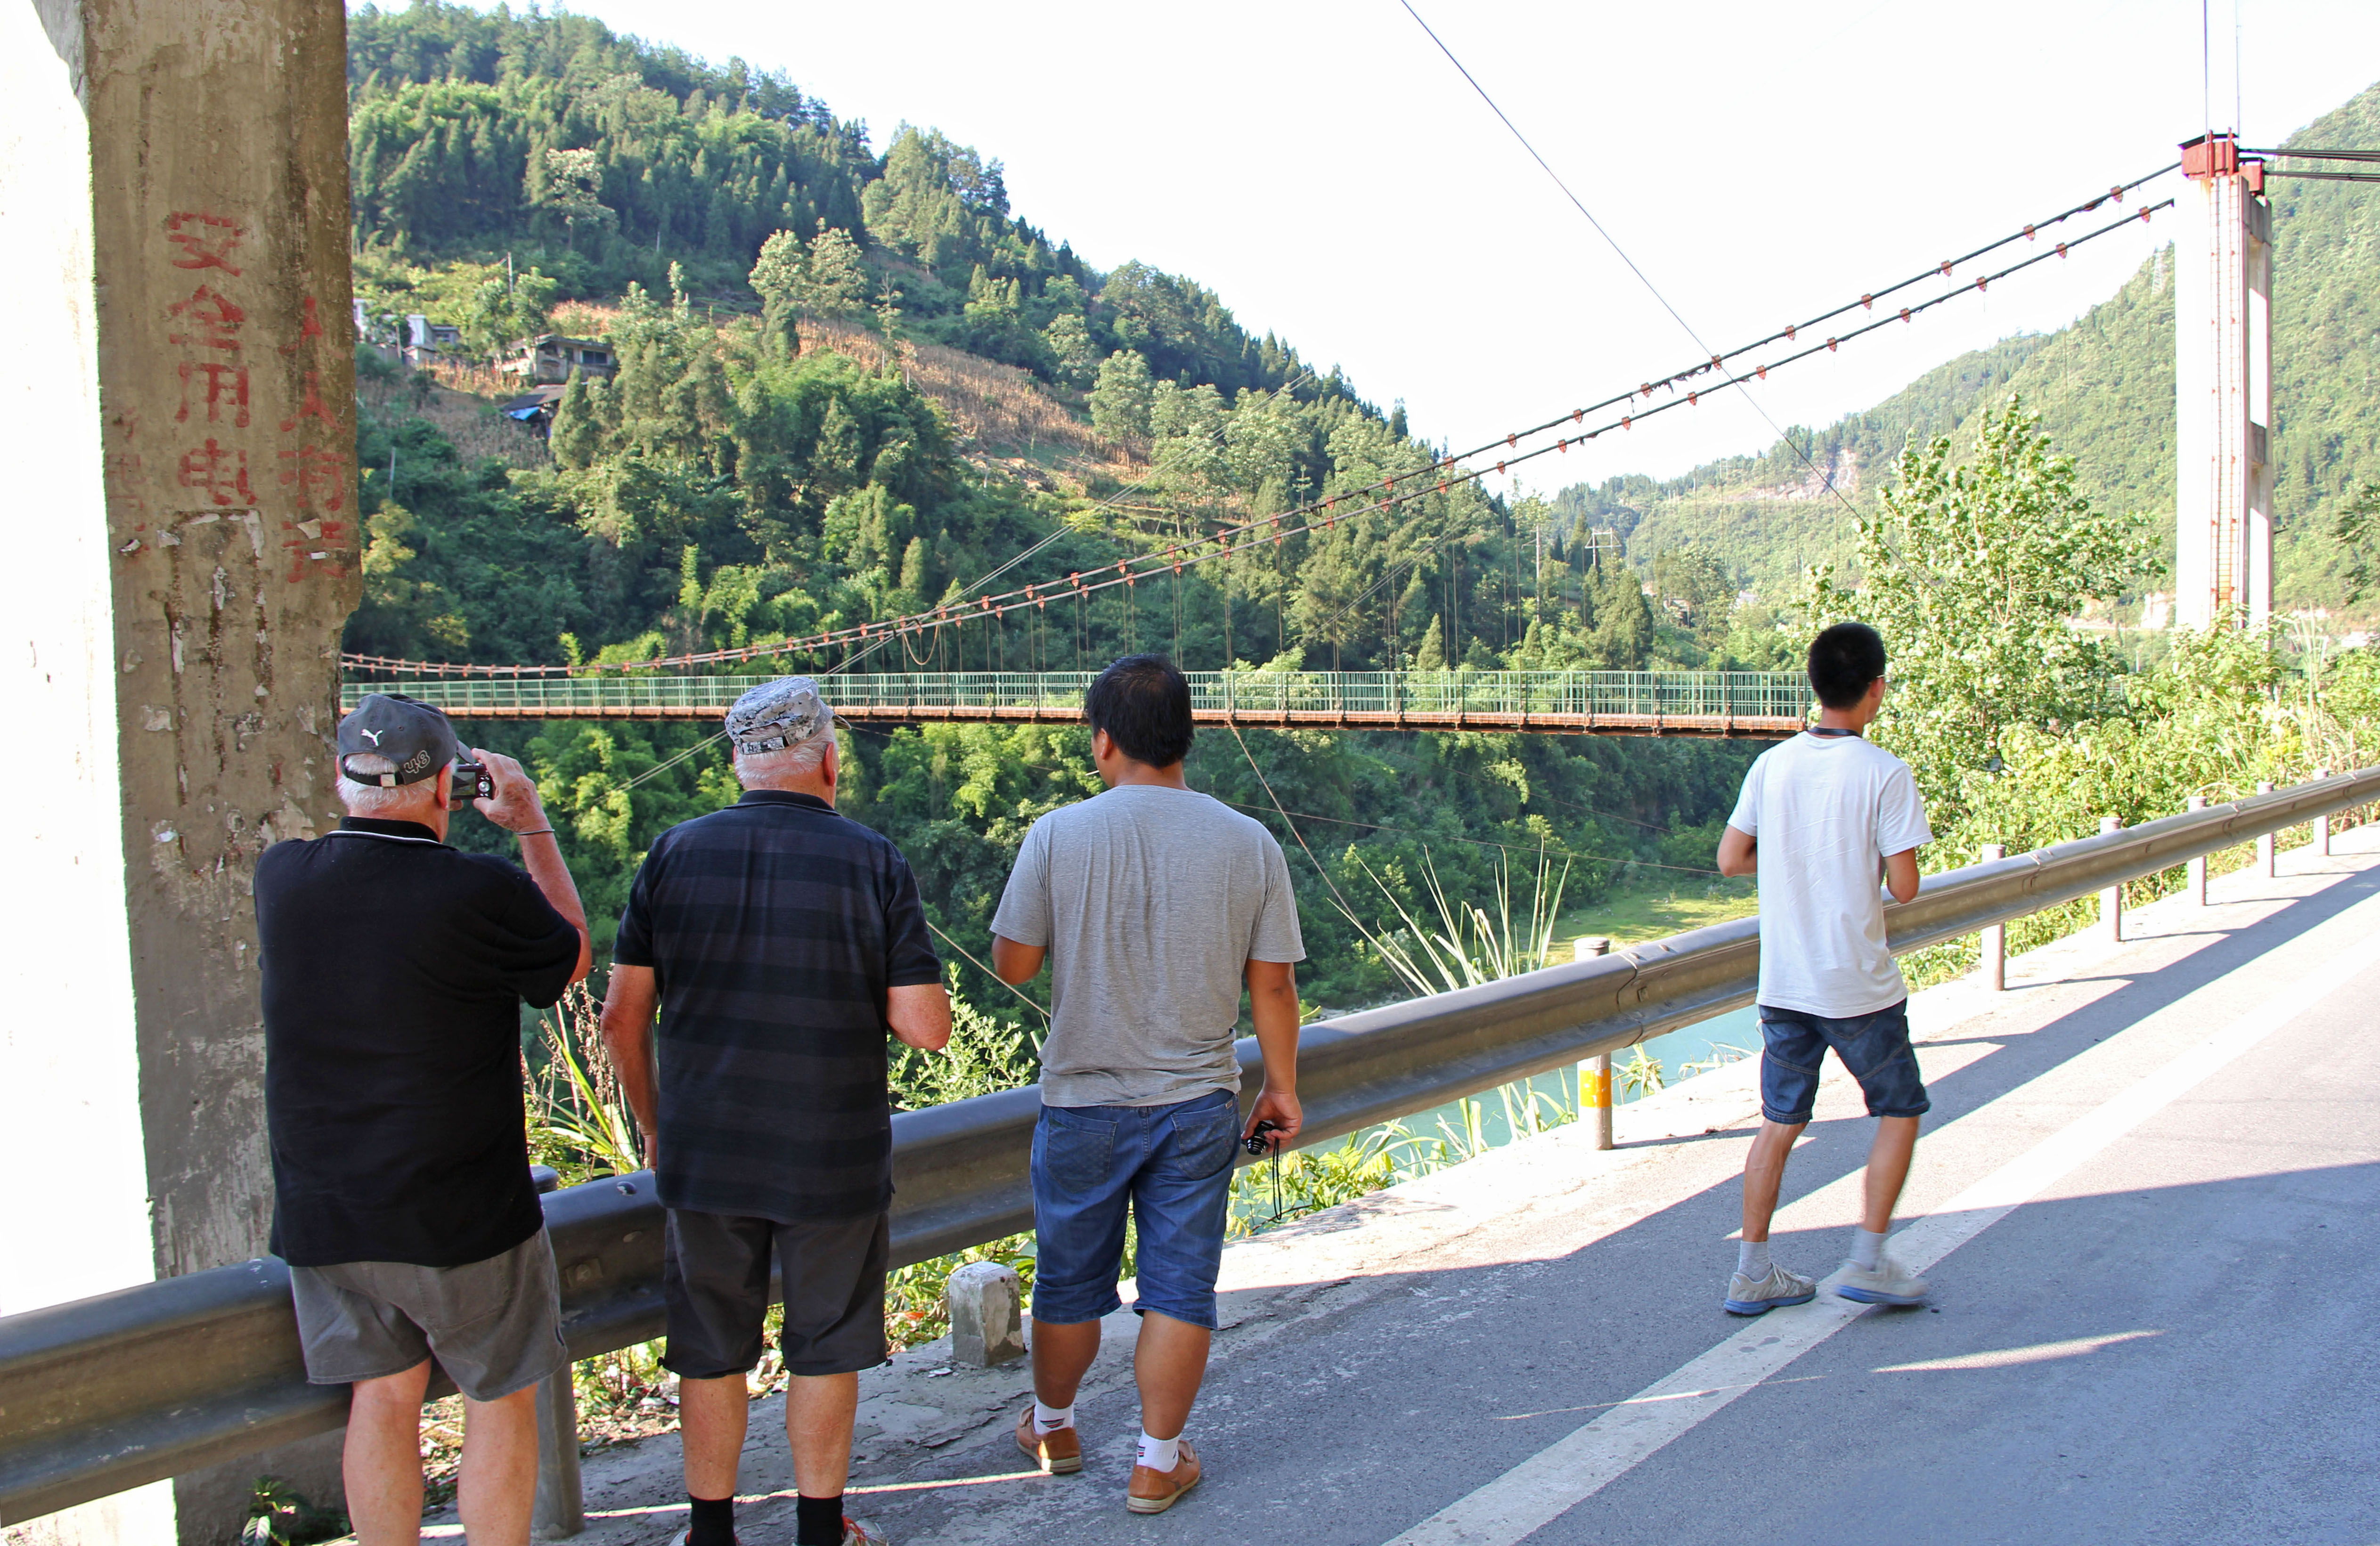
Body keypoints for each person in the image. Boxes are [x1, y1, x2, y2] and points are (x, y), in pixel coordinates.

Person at [600, 677, 950, 1546]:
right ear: (830, 758)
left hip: (706, 1153)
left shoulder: (671, 854)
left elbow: (619, 1018)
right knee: (826, 1345)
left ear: (737, 762)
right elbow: (926, 1028)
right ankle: (820, 1530)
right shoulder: (872, 860)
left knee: (709, 1345)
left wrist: (655, 1125)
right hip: (832, 1153)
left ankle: (710, 1534)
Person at [257, 693, 593, 1546]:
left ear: (342, 777)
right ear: (449, 784)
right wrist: (530, 824)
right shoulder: (479, 890)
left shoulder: (281, 879)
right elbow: (571, 955)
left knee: (383, 1394)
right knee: (499, 1393)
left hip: (328, 1210)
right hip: (461, 1211)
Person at [989, 654, 1305, 1516]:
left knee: (1065, 1282)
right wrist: (1280, 1087)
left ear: (1101, 741)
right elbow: (1272, 987)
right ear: (1186, 739)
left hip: (1083, 1102)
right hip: (1199, 1102)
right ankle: (1156, 1463)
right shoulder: (1250, 840)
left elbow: (1013, 963)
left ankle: (1053, 1425)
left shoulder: (1056, 833)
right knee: (1179, 1286)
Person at [1715, 621, 1934, 1315]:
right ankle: (1868, 1258)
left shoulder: (1771, 765)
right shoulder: (1884, 772)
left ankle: (1753, 1271)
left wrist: (1791, 862)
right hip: (1856, 983)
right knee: (1899, 1108)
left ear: (1815, 686)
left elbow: (1730, 859)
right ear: (1875, 690)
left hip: (1784, 984)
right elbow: (1905, 886)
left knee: (1780, 1121)